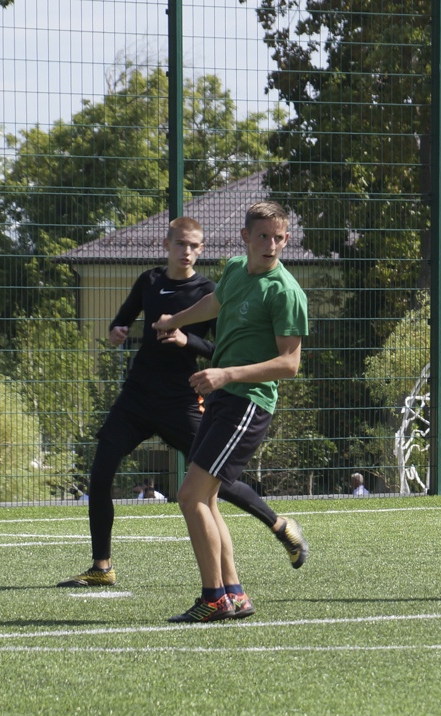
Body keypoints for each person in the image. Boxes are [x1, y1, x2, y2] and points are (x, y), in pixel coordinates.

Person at [58, 216, 308, 589]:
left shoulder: (259, 289)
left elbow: (241, 353)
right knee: (111, 472)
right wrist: (120, 330)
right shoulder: (160, 280)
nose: (186, 251)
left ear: (201, 249)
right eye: (180, 244)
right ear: (167, 245)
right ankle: (104, 565)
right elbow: (125, 321)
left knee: (207, 487)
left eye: (194, 246)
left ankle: (270, 533)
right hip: (139, 397)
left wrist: (190, 344)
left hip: (187, 399)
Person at [151, 201, 309, 622]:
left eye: (278, 238)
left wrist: (226, 374)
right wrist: (174, 321)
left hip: (249, 403)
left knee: (190, 497)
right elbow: (215, 304)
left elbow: (289, 364)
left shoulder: (286, 292)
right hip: (225, 398)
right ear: (245, 237)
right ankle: (233, 594)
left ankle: (214, 599)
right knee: (207, 499)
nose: (271, 245)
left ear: (286, 240)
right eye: (263, 236)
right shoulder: (238, 270)